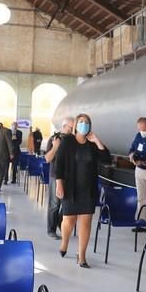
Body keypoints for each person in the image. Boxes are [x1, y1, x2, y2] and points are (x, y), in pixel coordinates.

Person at [55, 113, 111, 268]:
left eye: (86, 122)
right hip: (70, 188)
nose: (83, 124)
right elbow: (58, 164)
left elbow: (107, 159)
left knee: (85, 223)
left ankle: (82, 256)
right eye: (81, 122)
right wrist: (59, 183)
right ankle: (64, 242)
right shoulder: (67, 141)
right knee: (69, 221)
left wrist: (97, 140)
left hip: (88, 190)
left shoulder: (92, 144)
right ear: (75, 126)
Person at [45, 118, 74, 239]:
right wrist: (55, 146)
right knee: (54, 204)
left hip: (70, 176)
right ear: (64, 126)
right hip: (55, 176)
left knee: (67, 205)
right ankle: (51, 229)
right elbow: (47, 158)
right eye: (70, 128)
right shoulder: (54, 139)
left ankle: (59, 223)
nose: (72, 130)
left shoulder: (73, 140)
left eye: (73, 129)